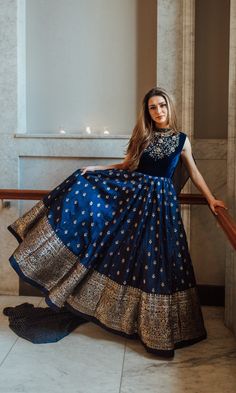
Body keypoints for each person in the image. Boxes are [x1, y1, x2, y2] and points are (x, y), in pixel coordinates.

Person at [6, 87, 226, 358]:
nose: (158, 111)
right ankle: (125, 317)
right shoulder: (144, 137)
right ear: (147, 111)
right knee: (125, 258)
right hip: (134, 201)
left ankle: (156, 326)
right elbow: (127, 165)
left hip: (162, 209)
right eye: (153, 107)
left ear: (170, 108)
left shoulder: (182, 140)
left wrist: (212, 199)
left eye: (162, 106)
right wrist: (97, 169)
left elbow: (194, 172)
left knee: (157, 262)